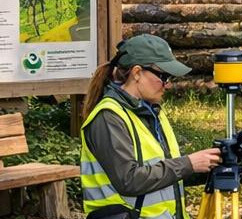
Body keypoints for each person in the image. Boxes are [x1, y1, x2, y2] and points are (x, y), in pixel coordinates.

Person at [80, 34, 222, 219]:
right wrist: (188, 163)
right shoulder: (108, 117)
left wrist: (211, 165)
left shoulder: (153, 113)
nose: (167, 84)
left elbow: (165, 174)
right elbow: (129, 180)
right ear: (137, 73)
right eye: (163, 76)